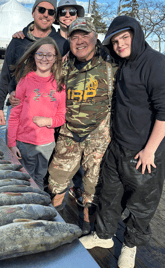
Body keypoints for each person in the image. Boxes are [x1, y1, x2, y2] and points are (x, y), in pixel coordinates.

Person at [79, 16, 165, 268]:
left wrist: (150, 151)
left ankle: (130, 245)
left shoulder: (156, 64)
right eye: (115, 41)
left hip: (145, 152)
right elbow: (89, 50)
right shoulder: (120, 60)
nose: (119, 45)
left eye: (125, 38)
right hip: (117, 146)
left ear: (136, 35)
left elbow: (164, 113)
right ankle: (103, 236)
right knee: (109, 195)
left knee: (141, 205)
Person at [46, 17, 117, 235]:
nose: (80, 41)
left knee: (92, 189)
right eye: (75, 37)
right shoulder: (62, 66)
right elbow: (42, 87)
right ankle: (55, 227)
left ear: (95, 38)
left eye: (85, 36)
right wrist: (16, 95)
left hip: (99, 136)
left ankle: (87, 230)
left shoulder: (110, 66)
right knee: (56, 182)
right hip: (69, 134)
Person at [0, 0, 69, 144]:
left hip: (47, 112)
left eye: (51, 12)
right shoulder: (18, 40)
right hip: (18, 106)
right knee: (14, 155)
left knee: (41, 156)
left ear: (54, 18)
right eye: (41, 10)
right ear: (33, 12)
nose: (46, 15)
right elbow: (6, 74)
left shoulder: (62, 44)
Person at [7, 37, 66, 190]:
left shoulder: (60, 84)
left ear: (55, 59)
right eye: (40, 54)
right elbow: (14, 115)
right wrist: (11, 143)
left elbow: (62, 116)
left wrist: (47, 121)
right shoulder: (25, 80)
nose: (44, 58)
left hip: (47, 145)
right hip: (24, 143)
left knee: (39, 177)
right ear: (34, 56)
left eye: (49, 55)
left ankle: (37, 204)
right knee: (24, 178)